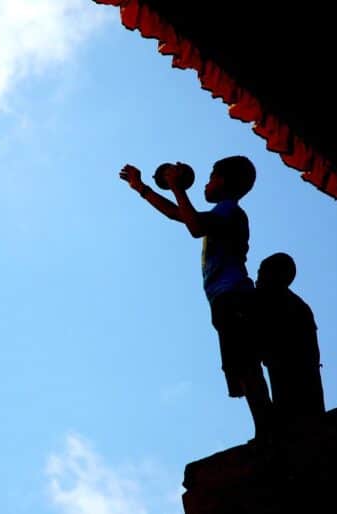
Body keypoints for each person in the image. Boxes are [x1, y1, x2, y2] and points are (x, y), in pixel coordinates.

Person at [119, 156, 272, 441]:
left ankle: (268, 427)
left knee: (245, 364)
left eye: (211, 177)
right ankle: (266, 425)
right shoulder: (220, 213)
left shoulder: (230, 212)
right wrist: (141, 188)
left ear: (225, 182)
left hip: (234, 297)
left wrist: (177, 187)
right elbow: (179, 215)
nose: (206, 183)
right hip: (224, 300)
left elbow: (194, 228)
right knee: (240, 366)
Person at [254, 252, 325, 431]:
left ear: (276, 277)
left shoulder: (287, 308)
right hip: (297, 393)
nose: (258, 279)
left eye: (262, 273)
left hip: (299, 395)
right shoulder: (295, 307)